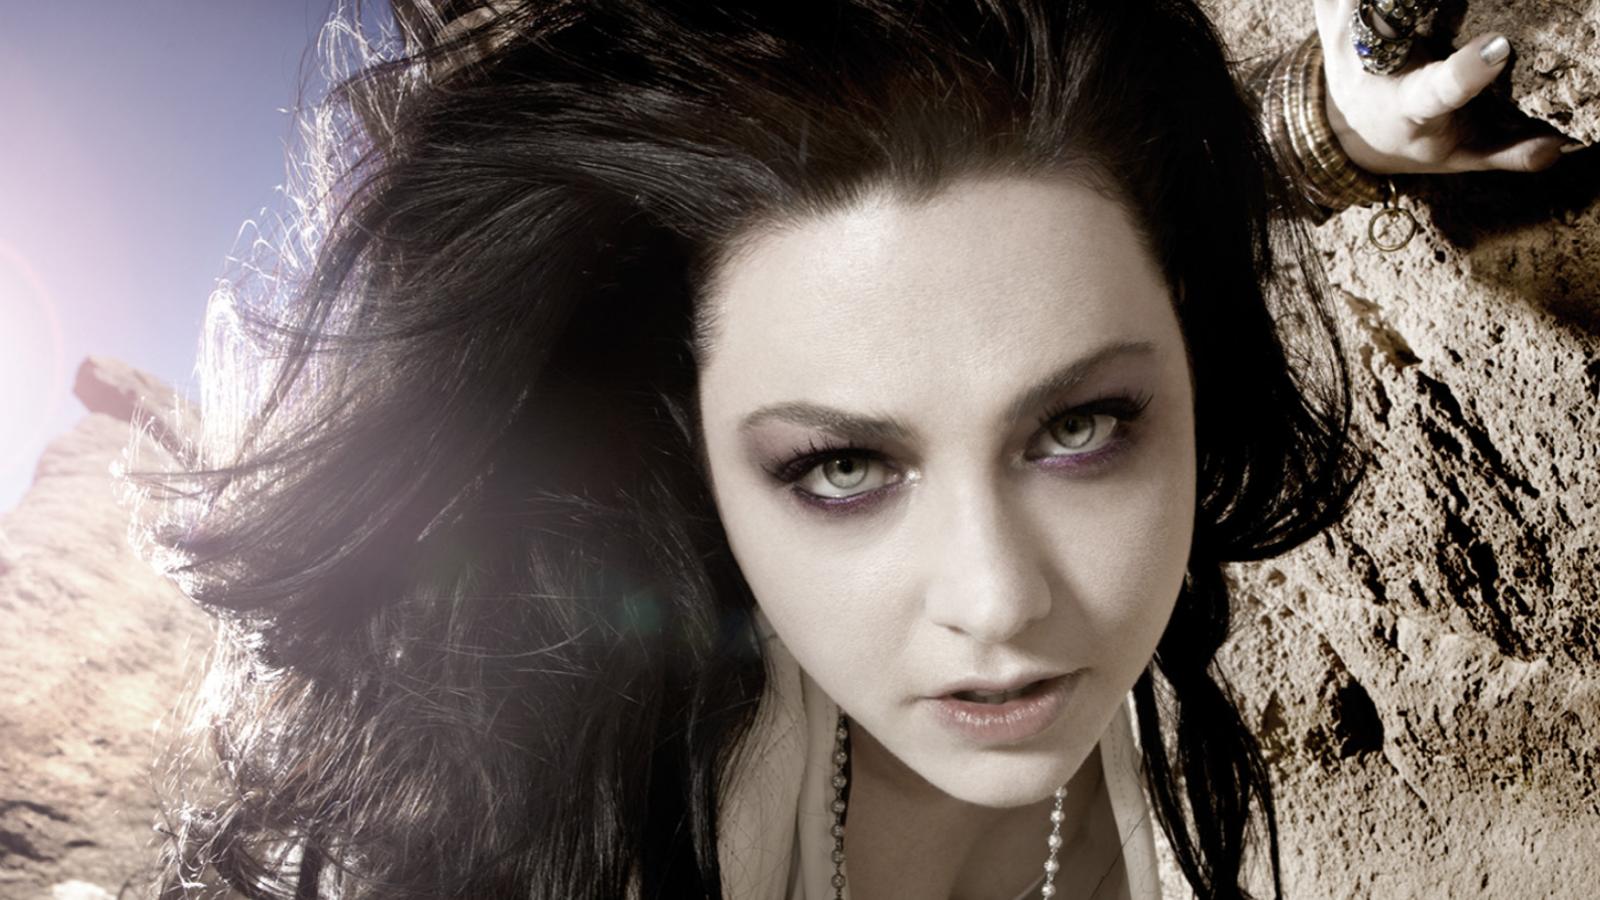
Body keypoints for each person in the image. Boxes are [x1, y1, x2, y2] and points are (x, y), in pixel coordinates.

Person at [140, 1, 1571, 898]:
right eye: (843, 468)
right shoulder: (587, 825)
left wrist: (1328, 124)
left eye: (1078, 426)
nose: (998, 599)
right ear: (689, 445)